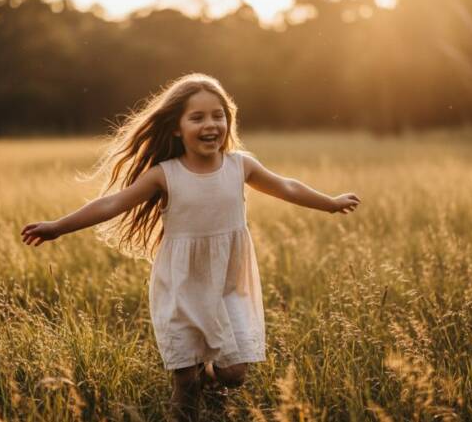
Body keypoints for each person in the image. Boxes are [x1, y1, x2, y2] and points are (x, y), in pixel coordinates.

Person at [20, 73, 361, 421]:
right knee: (184, 383)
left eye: (218, 115)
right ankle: (190, 393)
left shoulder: (240, 165)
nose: (210, 124)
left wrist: (330, 202)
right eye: (197, 117)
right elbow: (111, 204)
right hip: (181, 287)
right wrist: (57, 227)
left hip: (229, 286)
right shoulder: (164, 175)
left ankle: (207, 378)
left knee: (234, 375)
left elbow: (286, 186)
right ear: (176, 128)